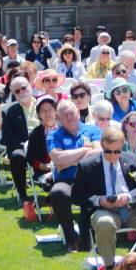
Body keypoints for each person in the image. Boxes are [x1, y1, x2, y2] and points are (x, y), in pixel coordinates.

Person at [73, 126, 136, 270]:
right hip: (104, 211)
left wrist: (128, 197)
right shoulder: (87, 165)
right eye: (108, 151)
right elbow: (76, 196)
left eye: (117, 151)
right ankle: (109, 269)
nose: (113, 155)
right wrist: (99, 200)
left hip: (132, 209)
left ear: (122, 146)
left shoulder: (132, 160)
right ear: (102, 146)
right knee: (103, 223)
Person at [48, 100, 103, 252]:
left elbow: (98, 152)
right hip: (66, 180)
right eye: (64, 115)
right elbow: (57, 159)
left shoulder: (93, 130)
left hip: (89, 178)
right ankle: (71, 238)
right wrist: (84, 150)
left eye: (71, 113)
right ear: (58, 119)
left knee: (94, 191)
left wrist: (68, 161)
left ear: (78, 113)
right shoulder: (53, 136)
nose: (69, 117)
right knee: (58, 193)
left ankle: (87, 237)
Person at [1, 76, 40, 221]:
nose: (22, 92)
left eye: (24, 88)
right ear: (14, 94)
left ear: (30, 86)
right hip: (22, 147)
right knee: (16, 156)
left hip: (44, 144)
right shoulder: (10, 112)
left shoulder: (44, 104)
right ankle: (23, 195)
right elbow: (6, 138)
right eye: (17, 91)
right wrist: (23, 144)